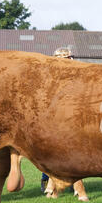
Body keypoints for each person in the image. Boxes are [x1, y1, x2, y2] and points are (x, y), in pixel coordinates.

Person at [41, 47, 74, 193]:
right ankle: (47, 179)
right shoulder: (50, 77)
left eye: (68, 58)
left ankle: (69, 181)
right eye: (65, 58)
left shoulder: (74, 75)